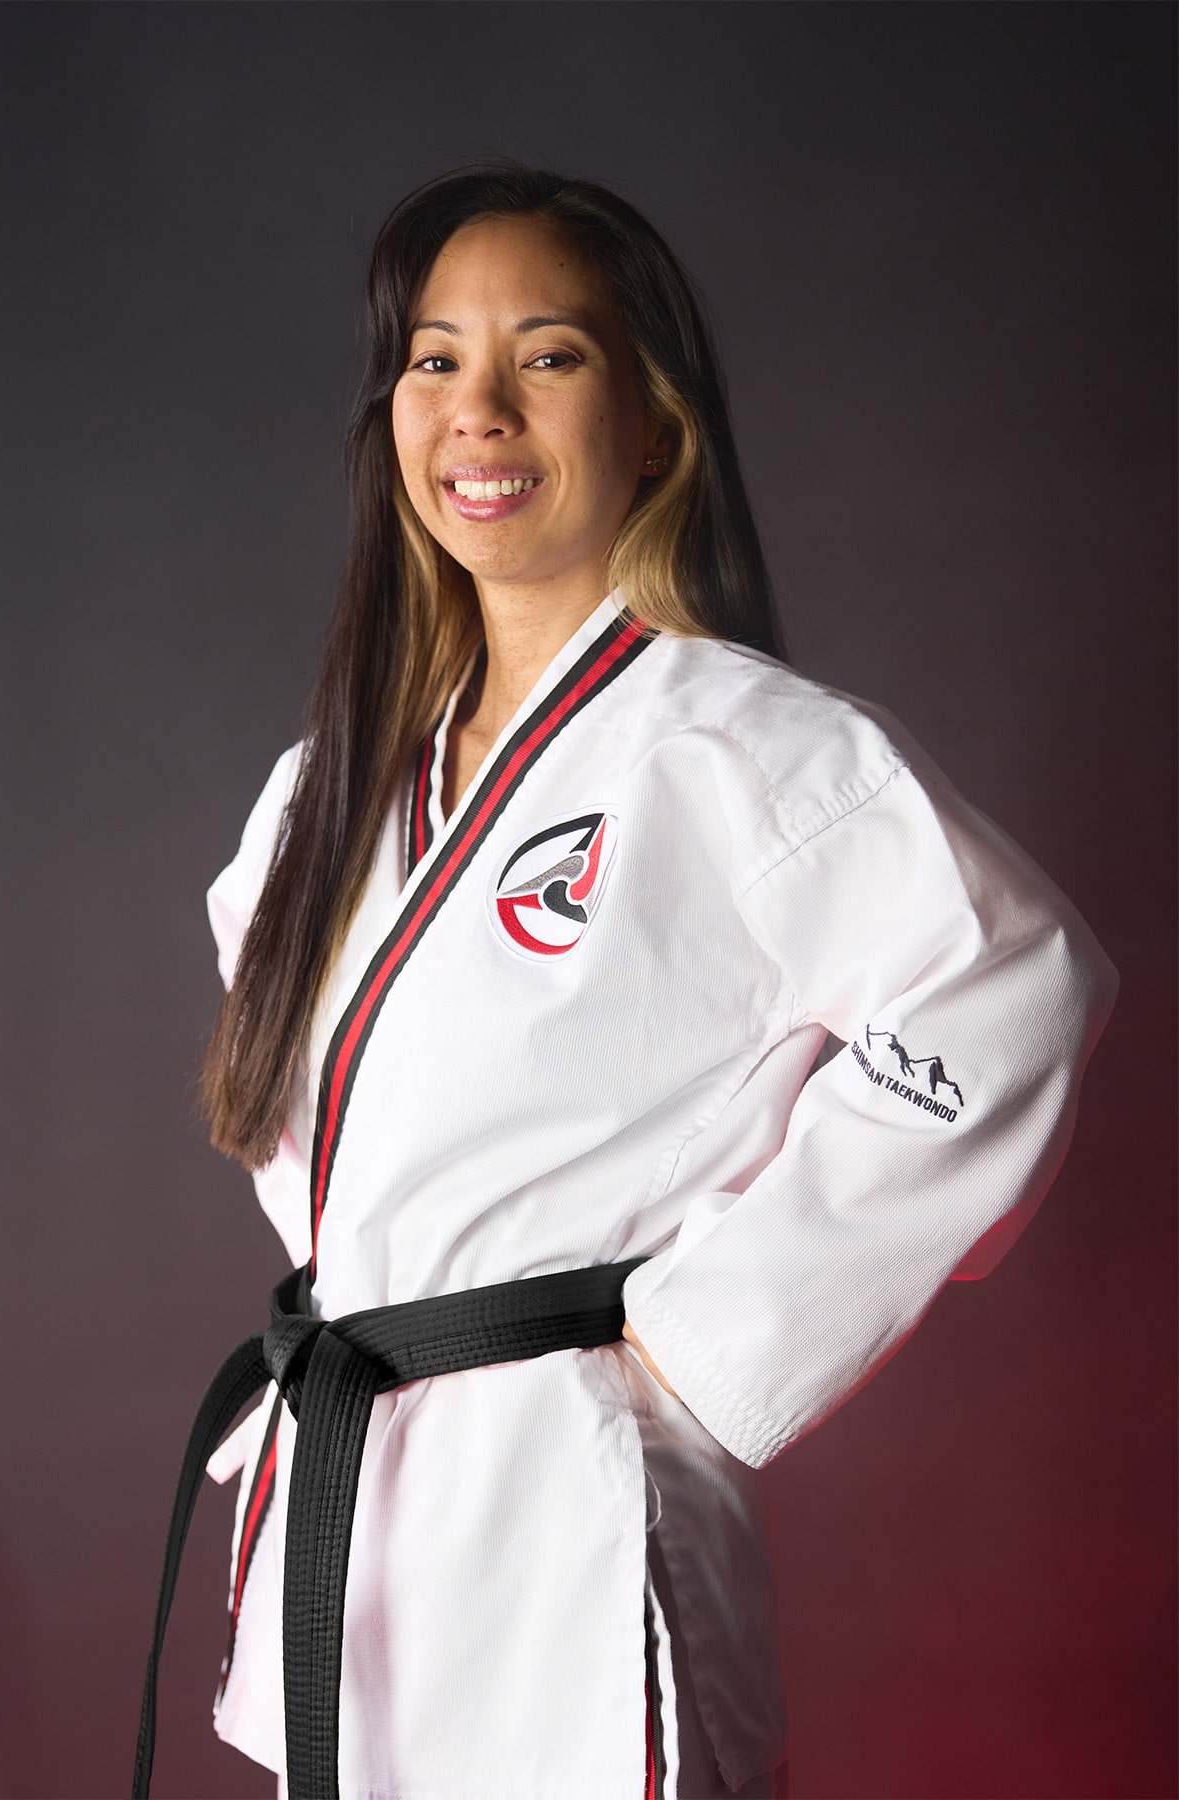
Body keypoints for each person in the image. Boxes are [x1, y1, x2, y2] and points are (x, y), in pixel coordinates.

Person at [135, 161, 1117, 1800]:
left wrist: (702, 1338)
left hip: (574, 1520)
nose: (479, 410)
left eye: (553, 356)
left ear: (657, 424)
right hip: (362, 1517)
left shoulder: (736, 745)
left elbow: (1010, 992)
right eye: (435, 359)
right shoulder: (330, 788)